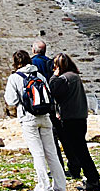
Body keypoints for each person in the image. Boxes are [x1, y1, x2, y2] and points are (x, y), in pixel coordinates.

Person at [4, 50, 67, 191]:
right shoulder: (39, 76)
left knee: (37, 153)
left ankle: (43, 188)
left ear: (16, 62)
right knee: (51, 152)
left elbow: (11, 101)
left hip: (28, 118)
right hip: (45, 117)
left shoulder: (14, 78)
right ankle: (60, 186)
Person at [50, 52, 100, 191]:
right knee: (81, 149)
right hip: (80, 118)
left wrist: (55, 75)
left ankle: (93, 180)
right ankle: (91, 178)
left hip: (70, 119)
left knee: (80, 151)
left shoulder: (64, 79)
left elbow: (52, 89)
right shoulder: (75, 77)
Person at [31, 40, 77, 176]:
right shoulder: (51, 63)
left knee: (51, 139)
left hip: (44, 105)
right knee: (65, 137)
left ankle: (59, 168)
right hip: (57, 104)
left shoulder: (33, 64)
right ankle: (74, 166)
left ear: (34, 50)